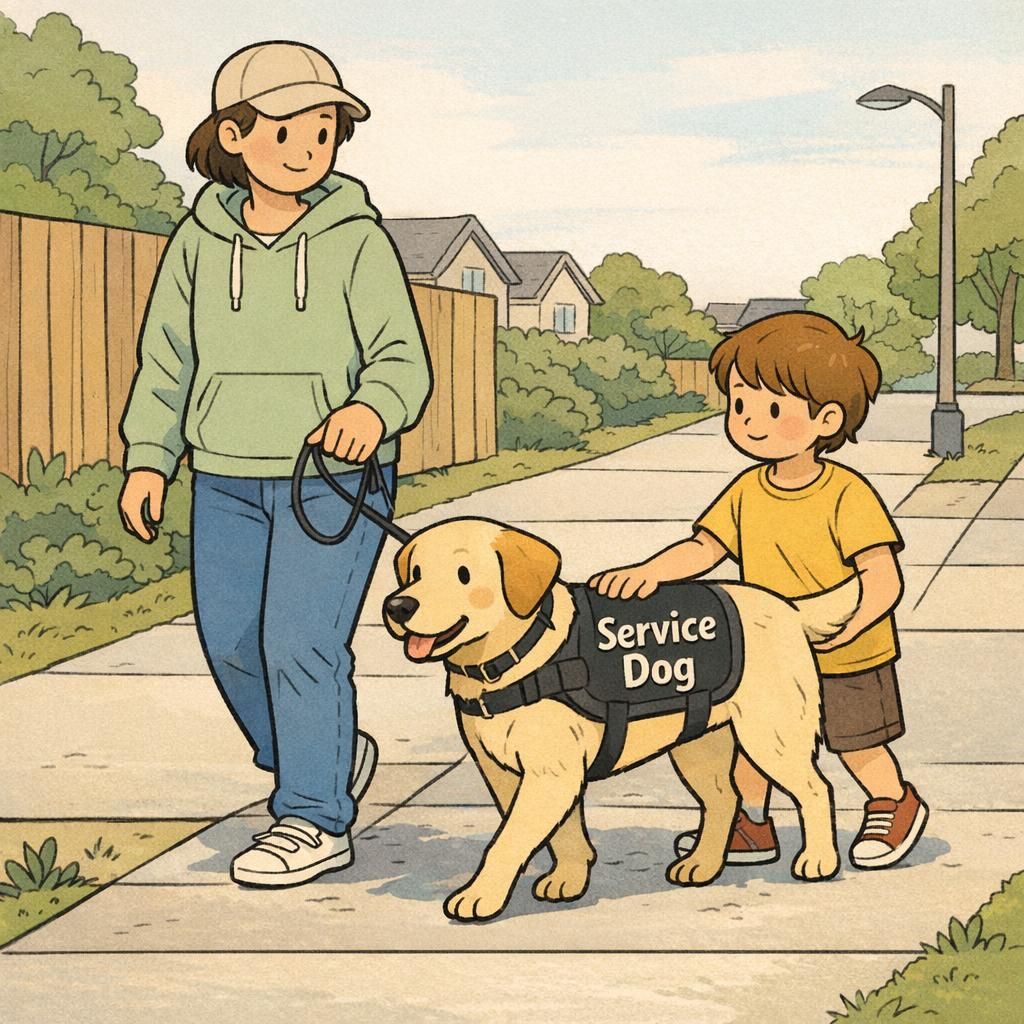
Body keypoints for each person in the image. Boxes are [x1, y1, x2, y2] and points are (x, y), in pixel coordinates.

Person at [119, 41, 431, 887]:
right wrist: (149, 459)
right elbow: (166, 358)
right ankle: (322, 754)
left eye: (323, 132)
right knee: (231, 643)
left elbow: (402, 358)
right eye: (287, 130)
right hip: (223, 473)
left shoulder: (356, 240)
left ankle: (314, 816)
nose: (307, 150)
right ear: (234, 134)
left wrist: (371, 410)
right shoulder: (197, 241)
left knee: (301, 644)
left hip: (332, 479)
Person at [589, 312, 927, 871]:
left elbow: (882, 575)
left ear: (827, 419)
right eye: (740, 405)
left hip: (844, 648)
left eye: (771, 410)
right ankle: (752, 823)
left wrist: (857, 623)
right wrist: (651, 572)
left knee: (856, 741)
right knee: (753, 736)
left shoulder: (845, 493)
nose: (749, 422)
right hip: (767, 647)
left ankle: (893, 803)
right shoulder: (747, 489)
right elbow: (704, 548)